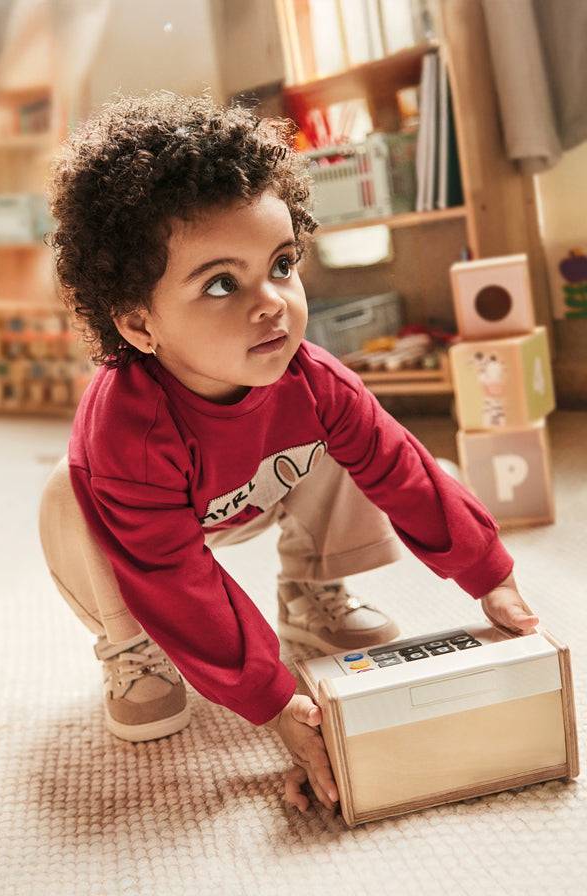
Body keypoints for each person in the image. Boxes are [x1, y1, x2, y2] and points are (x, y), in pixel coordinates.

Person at [39, 93, 539, 814]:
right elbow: (174, 574)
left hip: (254, 488)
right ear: (140, 323)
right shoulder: (127, 434)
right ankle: (133, 646)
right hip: (143, 534)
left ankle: (313, 590)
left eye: (281, 263)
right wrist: (275, 699)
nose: (272, 301)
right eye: (221, 284)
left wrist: (488, 571)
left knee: (352, 437)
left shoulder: (311, 377)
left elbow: (400, 468)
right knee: (70, 491)